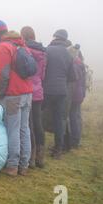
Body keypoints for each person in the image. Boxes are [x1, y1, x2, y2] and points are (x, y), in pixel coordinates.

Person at [0, 21, 33, 176]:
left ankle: (12, 166)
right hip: (27, 93)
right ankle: (24, 165)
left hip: (13, 94)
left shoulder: (4, 47)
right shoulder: (22, 46)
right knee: (24, 128)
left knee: (13, 129)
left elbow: (3, 74)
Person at [43, 29, 75, 159]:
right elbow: (72, 76)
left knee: (39, 117)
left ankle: (37, 147)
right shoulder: (68, 54)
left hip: (47, 90)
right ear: (65, 39)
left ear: (55, 37)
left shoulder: (47, 50)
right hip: (62, 91)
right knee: (60, 120)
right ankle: (58, 150)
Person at [21, 26, 47, 168]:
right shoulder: (43, 52)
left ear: (23, 36)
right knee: (38, 123)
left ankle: (30, 156)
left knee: (27, 124)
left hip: (26, 90)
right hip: (38, 92)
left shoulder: (25, 50)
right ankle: (40, 157)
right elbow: (42, 75)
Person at [68, 44, 86, 149]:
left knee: (73, 117)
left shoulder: (74, 64)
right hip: (79, 93)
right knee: (77, 116)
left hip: (74, 94)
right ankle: (77, 139)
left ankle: (74, 141)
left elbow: (73, 80)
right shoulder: (80, 64)